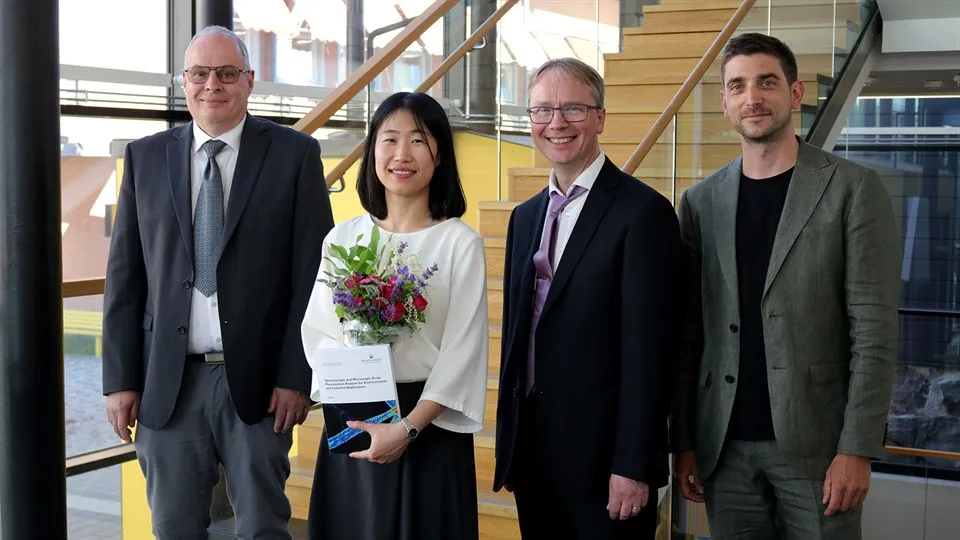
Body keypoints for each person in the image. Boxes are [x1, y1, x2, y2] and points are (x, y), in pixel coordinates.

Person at [102, 25, 334, 539]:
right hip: (169, 384)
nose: (214, 85)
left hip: (258, 386)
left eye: (227, 74)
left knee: (261, 527)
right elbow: (125, 279)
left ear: (249, 81)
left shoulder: (295, 156)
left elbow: (313, 276)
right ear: (184, 81)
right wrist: (120, 381)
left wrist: (297, 377)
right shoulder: (145, 157)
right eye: (200, 74)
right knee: (175, 527)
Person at [671, 33, 901, 539]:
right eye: (738, 86)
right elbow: (689, 334)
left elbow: (875, 331)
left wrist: (857, 448)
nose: (752, 97)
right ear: (725, 102)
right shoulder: (700, 203)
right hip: (723, 448)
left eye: (767, 82)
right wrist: (684, 440)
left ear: (794, 94)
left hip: (819, 450)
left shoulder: (853, 189)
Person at [492, 57, 682, 539]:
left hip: (606, 461)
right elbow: (519, 338)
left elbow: (651, 353)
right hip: (534, 451)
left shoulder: (644, 213)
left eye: (573, 108)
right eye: (542, 110)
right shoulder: (525, 216)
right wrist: (511, 446)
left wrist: (634, 464)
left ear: (600, 118)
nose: (556, 123)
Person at [300, 91, 489, 540]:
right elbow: (320, 333)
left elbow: (463, 351)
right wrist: (358, 403)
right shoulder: (342, 237)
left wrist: (406, 428)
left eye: (419, 141)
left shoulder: (459, 243)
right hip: (356, 418)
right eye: (389, 139)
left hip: (428, 427)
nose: (402, 155)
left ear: (440, 154)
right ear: (372, 152)